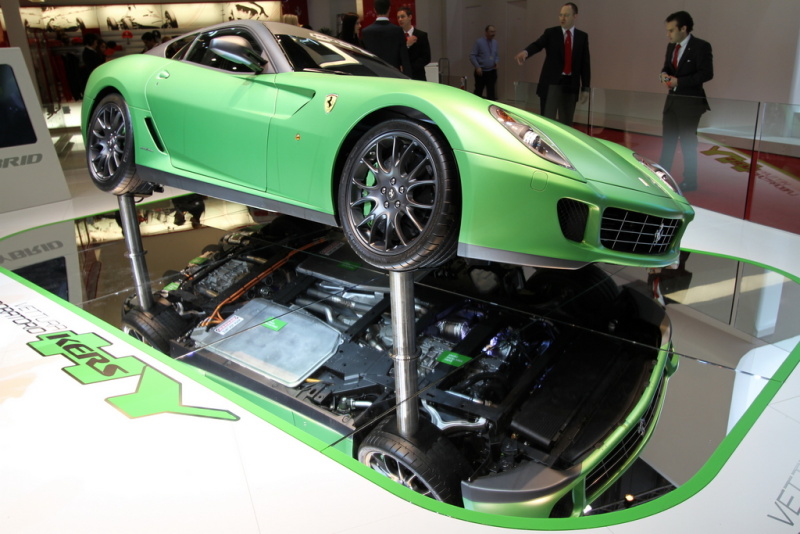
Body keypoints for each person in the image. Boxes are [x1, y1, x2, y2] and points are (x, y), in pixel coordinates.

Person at [658, 11, 713, 192]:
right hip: (672, 102)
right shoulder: (671, 47)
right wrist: (663, 75)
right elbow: (666, 68)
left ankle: (690, 180)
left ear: (683, 28)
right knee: (668, 142)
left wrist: (679, 82)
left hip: (690, 104)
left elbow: (706, 73)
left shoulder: (701, 46)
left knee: (688, 143)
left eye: (671, 30)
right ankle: (661, 177)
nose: (668, 34)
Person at [515, 2, 590, 125]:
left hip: (570, 85)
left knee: (566, 123)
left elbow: (585, 64)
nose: (562, 18)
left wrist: (585, 88)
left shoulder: (582, 37)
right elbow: (538, 45)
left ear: (575, 16)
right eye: (560, 15)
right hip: (551, 84)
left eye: (566, 15)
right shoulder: (551, 33)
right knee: (547, 122)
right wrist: (526, 52)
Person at [361, 0, 412, 74]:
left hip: (374, 74)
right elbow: (404, 58)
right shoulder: (397, 31)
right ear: (389, 9)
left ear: (374, 10)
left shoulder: (366, 32)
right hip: (393, 74)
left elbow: (364, 58)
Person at [397, 6, 431, 81]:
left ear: (410, 17)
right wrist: (406, 45)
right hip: (401, 77)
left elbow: (426, 58)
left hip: (418, 76)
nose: (400, 19)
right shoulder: (396, 36)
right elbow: (396, 56)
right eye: (398, 17)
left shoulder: (421, 35)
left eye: (402, 17)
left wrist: (408, 68)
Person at [469, 25, 499, 99]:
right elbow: (472, 56)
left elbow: (496, 55)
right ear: (486, 32)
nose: (493, 34)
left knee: (491, 93)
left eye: (494, 32)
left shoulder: (495, 42)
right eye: (491, 32)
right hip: (481, 72)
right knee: (478, 92)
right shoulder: (479, 42)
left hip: (491, 72)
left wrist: (496, 61)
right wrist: (477, 67)